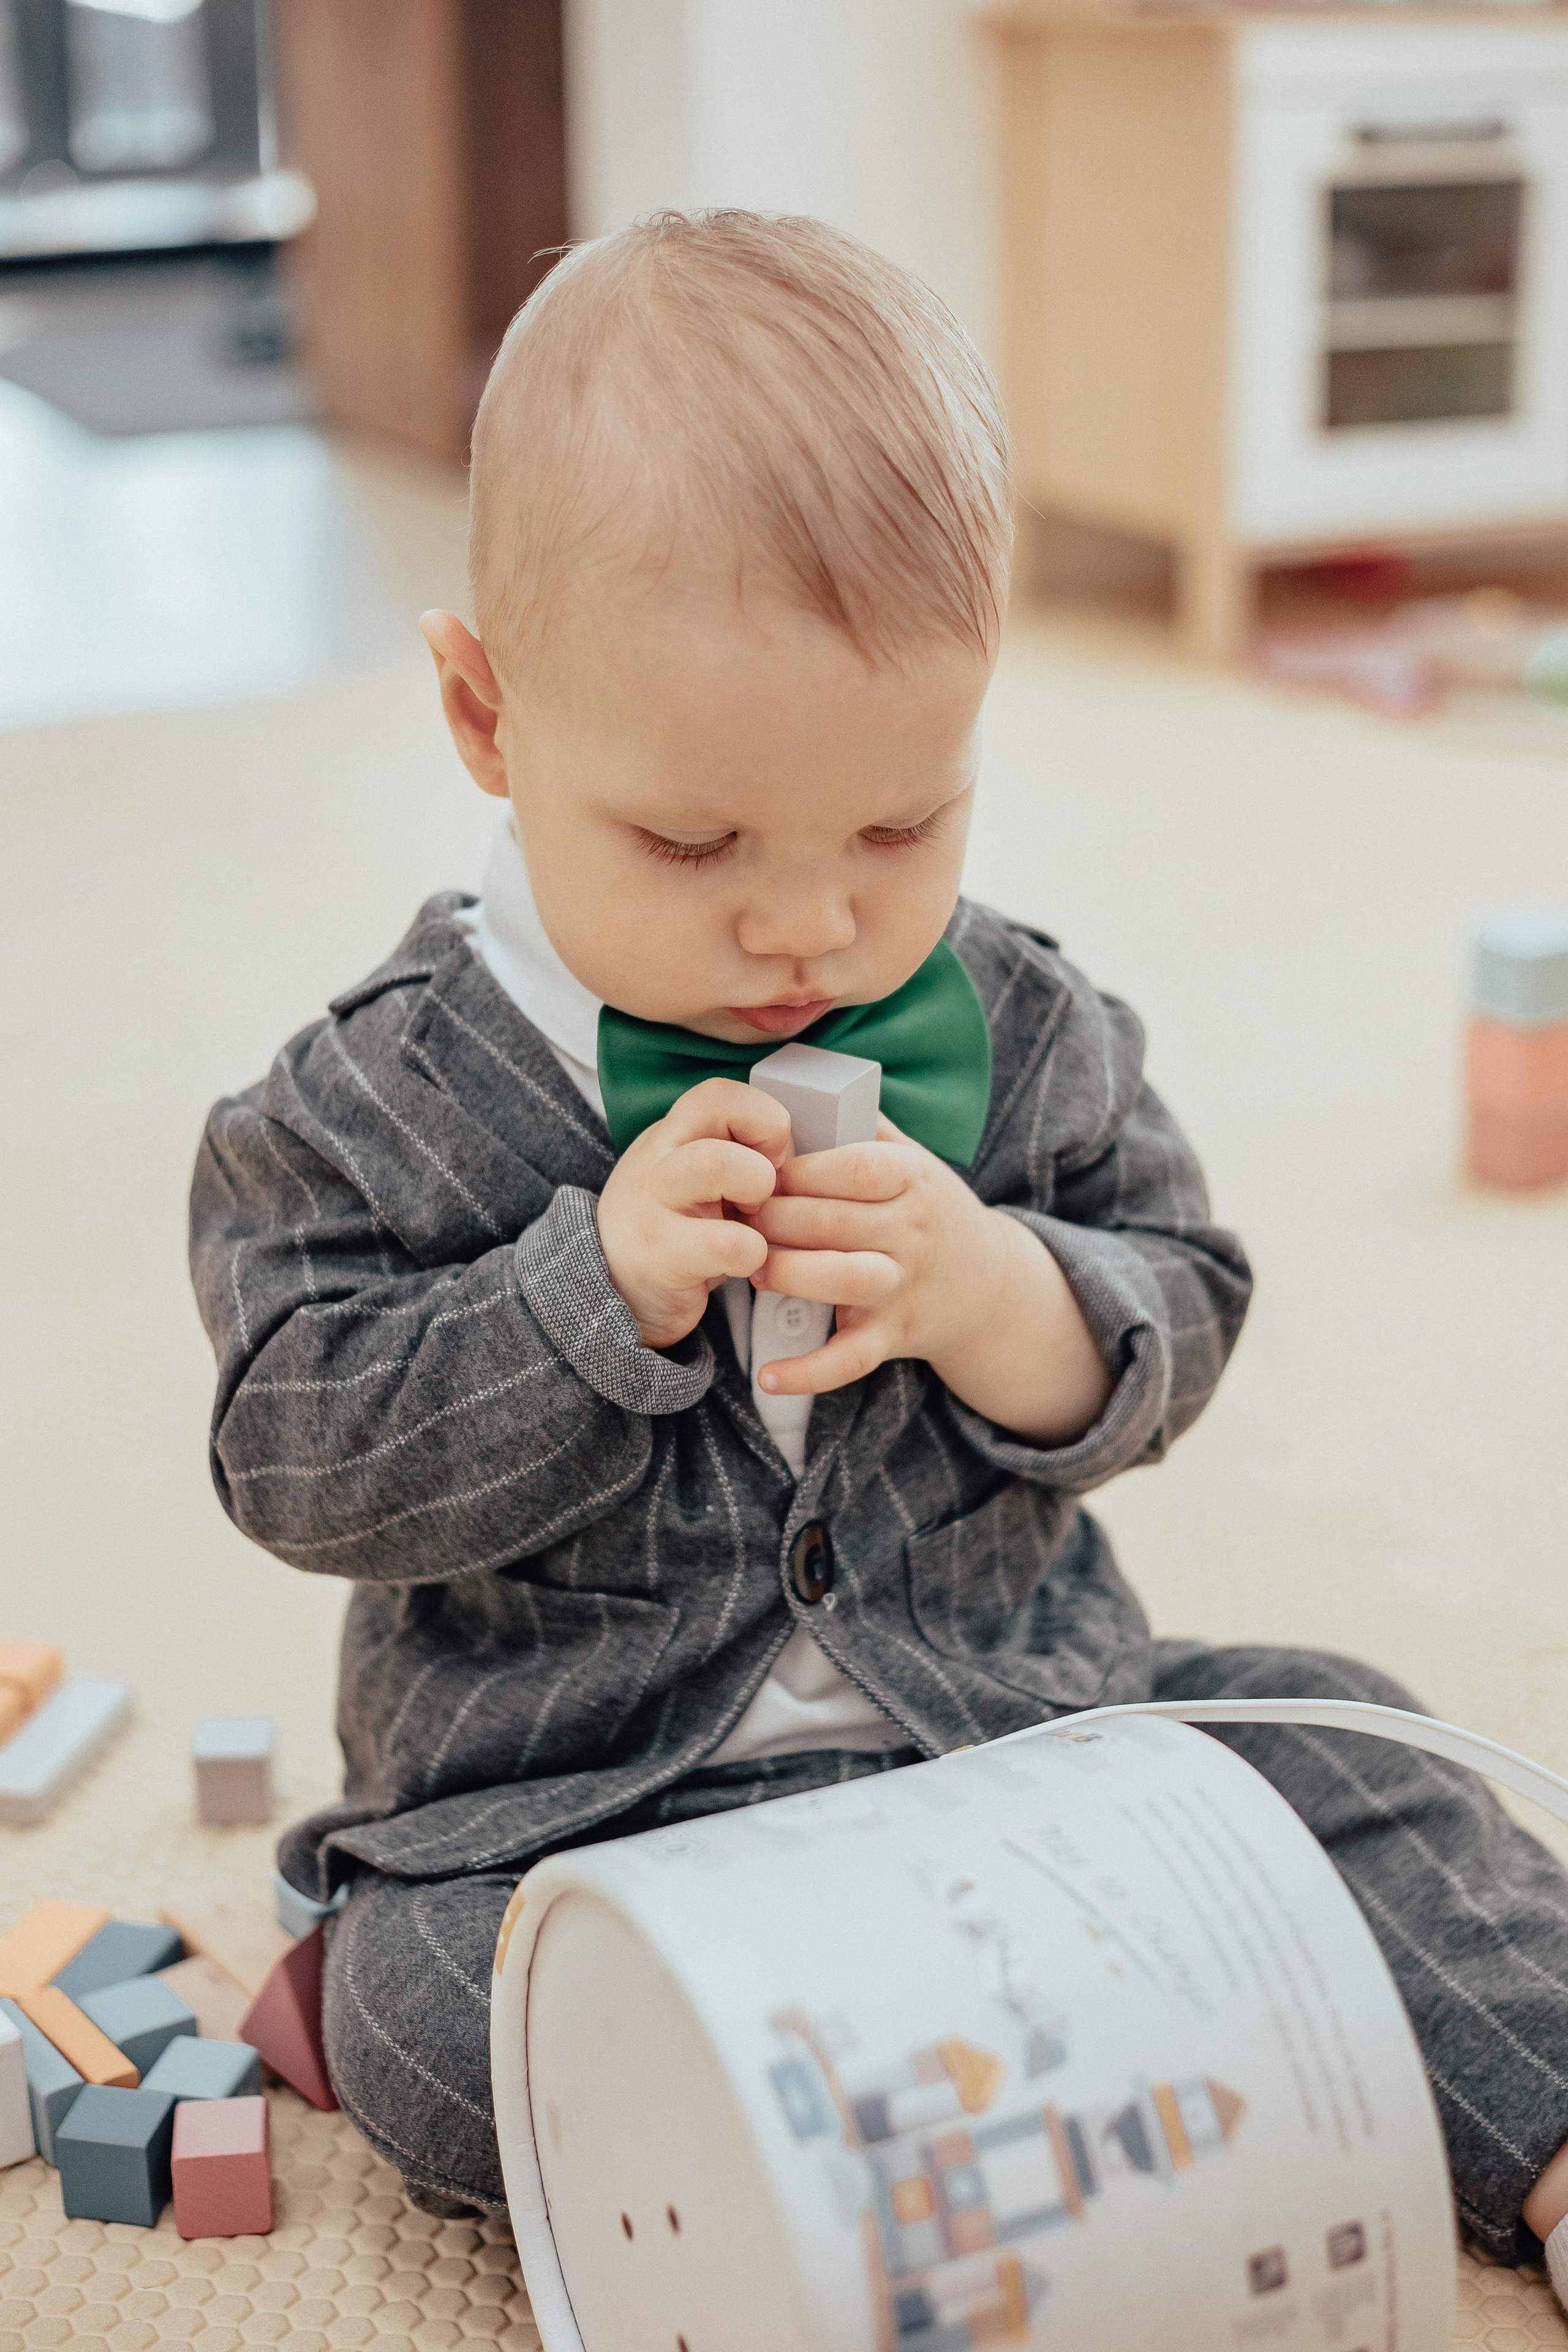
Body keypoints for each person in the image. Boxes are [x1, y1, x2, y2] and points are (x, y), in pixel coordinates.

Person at [189, 209, 1568, 2287]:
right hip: (588, 1825)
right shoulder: (357, 1109)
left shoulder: (1018, 1024)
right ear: (485, 716)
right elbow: (296, 1462)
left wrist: (999, 1296)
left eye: (904, 826)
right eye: (693, 842)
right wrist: (591, 1297)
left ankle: (1546, 2145)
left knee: (1347, 1750)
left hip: (1020, 1740)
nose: (807, 932)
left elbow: (1181, 1301)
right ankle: (848, 2194)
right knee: (423, 2014)